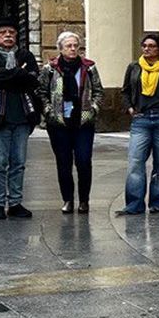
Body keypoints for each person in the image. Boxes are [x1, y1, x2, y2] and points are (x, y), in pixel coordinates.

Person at [0, 18, 42, 220]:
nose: (8, 35)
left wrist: (4, 76)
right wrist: (17, 74)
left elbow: (32, 79)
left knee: (18, 163)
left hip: (22, 117)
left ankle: (15, 203)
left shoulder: (26, 55)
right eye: (3, 32)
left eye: (11, 32)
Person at [117, 33, 159, 215]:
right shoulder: (134, 67)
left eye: (151, 46)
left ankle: (156, 204)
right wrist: (129, 108)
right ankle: (134, 204)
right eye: (144, 45)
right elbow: (125, 91)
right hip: (141, 120)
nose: (146, 49)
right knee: (135, 162)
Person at [39, 31, 103, 214]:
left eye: (76, 45)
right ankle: (67, 199)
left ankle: (84, 200)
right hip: (59, 123)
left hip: (83, 122)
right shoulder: (50, 69)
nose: (73, 49)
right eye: (69, 46)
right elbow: (42, 93)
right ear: (60, 48)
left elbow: (98, 91)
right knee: (63, 163)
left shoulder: (88, 67)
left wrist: (93, 110)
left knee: (83, 161)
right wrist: (49, 112)